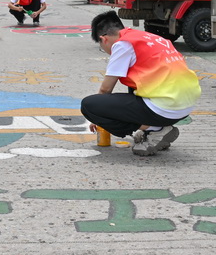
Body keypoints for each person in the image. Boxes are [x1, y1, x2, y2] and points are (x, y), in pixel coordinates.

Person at [80, 10, 201, 156]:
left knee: (89, 105)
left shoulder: (122, 44)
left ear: (104, 39)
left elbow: (106, 89)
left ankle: (157, 130)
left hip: (166, 107)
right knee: (133, 87)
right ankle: (155, 127)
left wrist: (98, 117)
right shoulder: (149, 38)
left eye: (101, 47)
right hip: (186, 106)